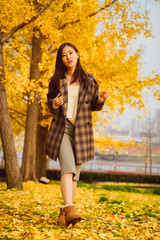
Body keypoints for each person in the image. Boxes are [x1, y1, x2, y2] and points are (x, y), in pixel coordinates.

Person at [45, 42, 109, 227]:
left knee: (75, 177)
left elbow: (94, 106)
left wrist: (101, 100)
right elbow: (49, 103)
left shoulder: (89, 81)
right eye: (64, 55)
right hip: (62, 129)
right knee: (68, 169)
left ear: (78, 54)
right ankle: (71, 211)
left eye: (71, 53)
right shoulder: (57, 80)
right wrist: (55, 103)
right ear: (61, 60)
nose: (68, 57)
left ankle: (64, 212)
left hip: (81, 132)